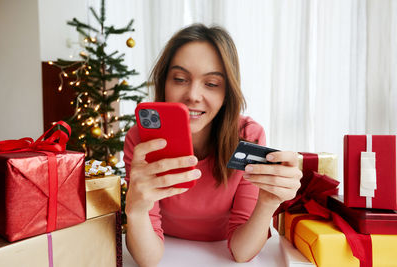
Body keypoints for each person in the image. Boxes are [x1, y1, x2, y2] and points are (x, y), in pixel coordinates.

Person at [123, 23, 302, 266]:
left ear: (227, 92)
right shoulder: (141, 140)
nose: (193, 95)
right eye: (179, 79)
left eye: (211, 83)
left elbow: (241, 252)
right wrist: (135, 210)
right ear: (164, 83)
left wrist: (268, 203)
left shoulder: (249, 135)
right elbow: (148, 259)